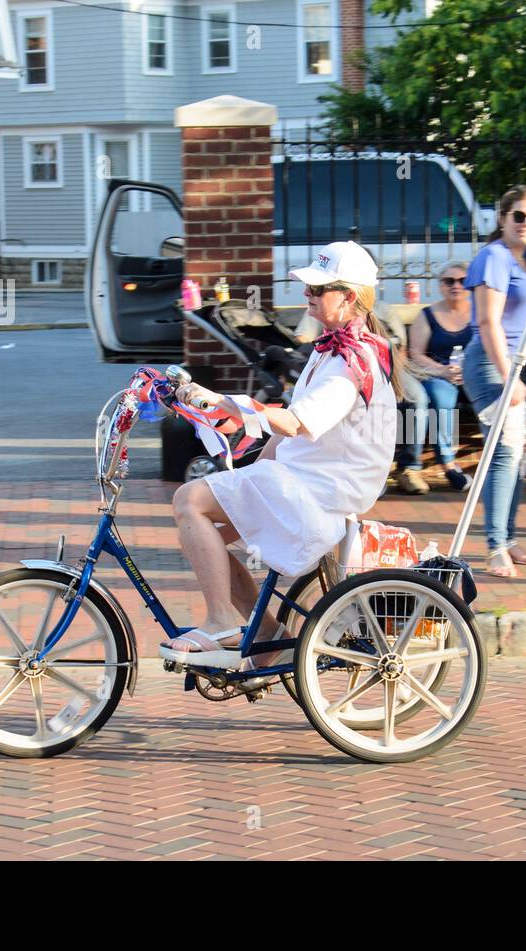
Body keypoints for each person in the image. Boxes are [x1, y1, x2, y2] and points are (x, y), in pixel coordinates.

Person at [159, 241, 401, 678]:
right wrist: (251, 469)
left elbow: (295, 424)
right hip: (304, 477)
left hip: (321, 490)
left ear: (349, 297)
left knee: (187, 500)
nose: (307, 295)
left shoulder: (353, 359)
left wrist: (222, 402)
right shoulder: (332, 351)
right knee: (206, 527)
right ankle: (268, 634)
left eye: (317, 288)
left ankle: (221, 622)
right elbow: (285, 439)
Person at [462, 185, 526, 578]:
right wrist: (509, 376)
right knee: (504, 452)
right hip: (492, 364)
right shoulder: (493, 257)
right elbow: (486, 321)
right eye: (519, 216)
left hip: (525, 367)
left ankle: (509, 540)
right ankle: (495, 546)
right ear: (503, 218)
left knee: (521, 456)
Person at [399, 261, 474, 493]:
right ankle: (449, 464)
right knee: (440, 399)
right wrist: (443, 371)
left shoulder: (480, 312)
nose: (456, 285)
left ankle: (498, 464)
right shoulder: (428, 315)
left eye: (462, 280)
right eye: (449, 281)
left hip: (473, 375)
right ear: (441, 286)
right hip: (438, 374)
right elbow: (416, 354)